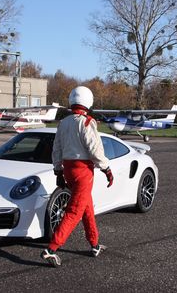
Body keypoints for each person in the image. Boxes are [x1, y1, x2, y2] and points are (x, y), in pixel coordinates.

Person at [41, 86, 114, 267]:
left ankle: (94, 244)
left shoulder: (63, 123)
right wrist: (107, 169)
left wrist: (58, 171)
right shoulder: (87, 122)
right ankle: (51, 249)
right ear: (88, 102)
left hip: (68, 169)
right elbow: (95, 150)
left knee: (86, 208)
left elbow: (56, 149)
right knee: (74, 211)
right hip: (83, 172)